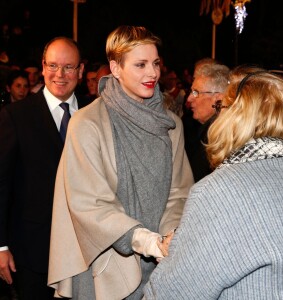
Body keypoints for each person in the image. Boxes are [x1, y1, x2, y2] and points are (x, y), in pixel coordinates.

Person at [48, 25, 194, 300]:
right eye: (140, 65)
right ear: (115, 68)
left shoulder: (171, 125)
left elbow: (180, 192)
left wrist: (170, 235)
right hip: (105, 263)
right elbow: (89, 202)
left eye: (155, 63)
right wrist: (144, 240)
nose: (152, 73)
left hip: (161, 266)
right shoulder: (87, 124)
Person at [143, 65, 283, 299]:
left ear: (236, 118)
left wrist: (176, 253)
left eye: (221, 107)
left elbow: (173, 292)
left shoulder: (220, 191)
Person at [0, 36, 91, 300]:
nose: (59, 74)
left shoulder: (95, 112)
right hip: (32, 253)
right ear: (42, 67)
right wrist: (1, 245)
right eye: (52, 65)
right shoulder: (16, 116)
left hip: (86, 250)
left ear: (81, 71)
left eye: (68, 67)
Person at [184, 63, 230, 182]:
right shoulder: (208, 132)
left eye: (196, 93)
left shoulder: (220, 140)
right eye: (191, 92)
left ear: (218, 99)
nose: (189, 98)